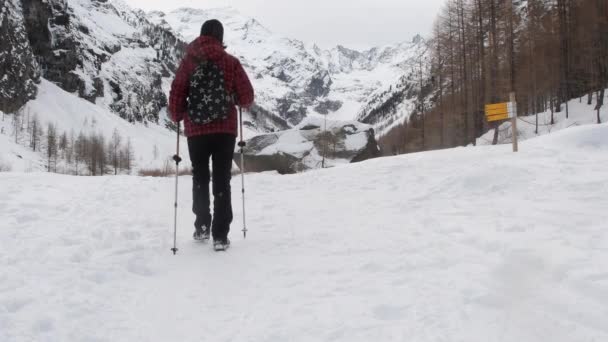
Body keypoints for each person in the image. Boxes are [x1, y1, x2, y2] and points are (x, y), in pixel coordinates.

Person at [169, 19, 254, 250]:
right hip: (225, 130)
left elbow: (177, 91)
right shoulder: (231, 62)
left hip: (196, 130)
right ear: (220, 38)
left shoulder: (189, 62)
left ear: (201, 35)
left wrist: (177, 115)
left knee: (200, 177)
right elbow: (247, 97)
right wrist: (234, 98)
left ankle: (202, 226)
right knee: (221, 179)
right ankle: (220, 235)